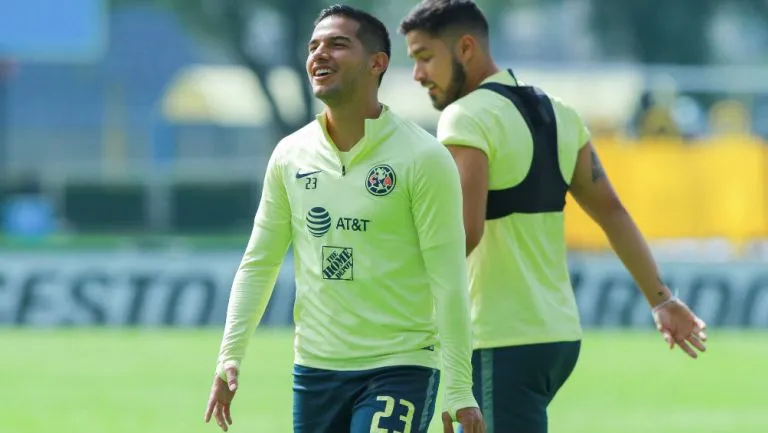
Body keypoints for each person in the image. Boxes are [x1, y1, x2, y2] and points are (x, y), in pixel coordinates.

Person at [399, 1, 708, 432]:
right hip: (556, 336)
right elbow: (612, 212)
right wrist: (663, 300)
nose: (417, 75)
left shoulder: (465, 117)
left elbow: (463, 234)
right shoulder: (559, 113)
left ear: (465, 48)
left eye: (424, 57)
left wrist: (389, 285)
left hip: (499, 337)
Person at [204, 4, 484, 433]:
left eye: (337, 44)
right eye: (313, 46)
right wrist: (229, 356)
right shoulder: (290, 155)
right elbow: (259, 263)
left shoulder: (424, 158)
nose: (320, 54)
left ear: (377, 63)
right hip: (315, 370)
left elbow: (448, 279)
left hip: (400, 365)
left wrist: (460, 388)